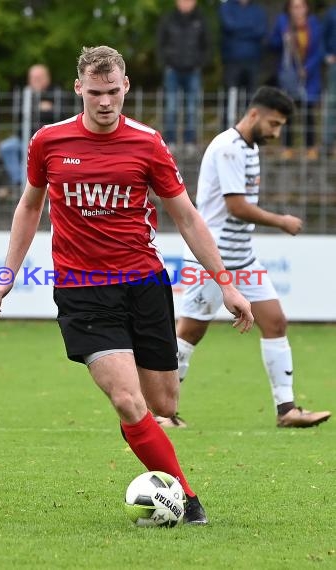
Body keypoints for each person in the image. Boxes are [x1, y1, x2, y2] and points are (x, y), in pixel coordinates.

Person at [0, 45, 254, 525]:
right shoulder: (49, 141)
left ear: (125, 87)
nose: (105, 103)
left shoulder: (148, 143)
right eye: (95, 93)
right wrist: (7, 274)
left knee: (162, 403)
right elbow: (29, 206)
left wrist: (226, 285)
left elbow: (186, 216)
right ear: (78, 89)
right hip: (82, 291)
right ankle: (188, 503)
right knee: (127, 400)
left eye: (113, 92)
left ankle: (155, 457)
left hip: (144, 284)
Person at [157, 86, 331, 430]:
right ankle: (161, 413)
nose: (276, 132)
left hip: (243, 257)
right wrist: (280, 220)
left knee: (276, 322)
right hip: (213, 256)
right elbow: (236, 206)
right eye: (274, 124)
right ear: (254, 114)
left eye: (281, 126)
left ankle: (287, 410)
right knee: (189, 332)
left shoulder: (249, 148)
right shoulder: (228, 148)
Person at [269, 0, 323, 161]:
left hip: (309, 76)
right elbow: (272, 44)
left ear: (306, 8)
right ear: (289, 8)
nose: (297, 10)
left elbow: (318, 50)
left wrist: (307, 68)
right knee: (287, 112)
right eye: (294, 7)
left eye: (301, 6)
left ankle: (310, 148)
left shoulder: (314, 24)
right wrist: (282, 38)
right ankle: (287, 148)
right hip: (289, 77)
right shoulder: (282, 22)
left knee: (308, 113)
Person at [156, 0, 209, 157]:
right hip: (172, 70)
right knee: (171, 107)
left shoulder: (201, 20)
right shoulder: (168, 19)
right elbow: (160, 43)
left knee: (192, 108)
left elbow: (207, 45)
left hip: (193, 71)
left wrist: (199, 63)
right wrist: (166, 63)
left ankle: (190, 141)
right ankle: (170, 141)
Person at [0, 64, 59, 186]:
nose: (35, 81)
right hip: (23, 138)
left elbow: (58, 116)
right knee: (6, 147)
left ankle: (29, 185)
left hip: (47, 140)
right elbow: (19, 115)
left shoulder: (56, 94)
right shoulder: (24, 94)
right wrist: (39, 108)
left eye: (39, 78)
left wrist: (34, 110)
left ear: (47, 78)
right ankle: (19, 182)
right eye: (33, 78)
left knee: (29, 151)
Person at [219, 0, 268, 130]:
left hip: (253, 61)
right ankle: (226, 133)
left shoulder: (258, 10)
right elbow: (229, 26)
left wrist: (238, 30)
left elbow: (261, 30)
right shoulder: (226, 7)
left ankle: (249, 133)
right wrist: (250, 29)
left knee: (252, 101)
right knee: (229, 100)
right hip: (232, 61)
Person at [322, 4, 336, 157]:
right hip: (335, 65)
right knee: (332, 103)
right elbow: (322, 36)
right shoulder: (331, 12)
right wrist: (327, 55)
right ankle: (328, 143)